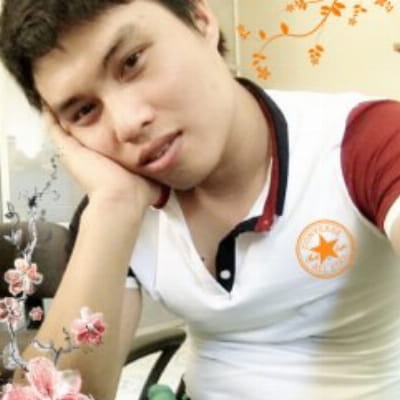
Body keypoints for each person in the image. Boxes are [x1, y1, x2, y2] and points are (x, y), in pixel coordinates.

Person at [1, 0, 400, 399]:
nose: (127, 123)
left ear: (200, 20)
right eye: (84, 111)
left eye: (132, 62)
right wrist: (113, 207)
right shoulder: (119, 204)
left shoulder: (362, 143)